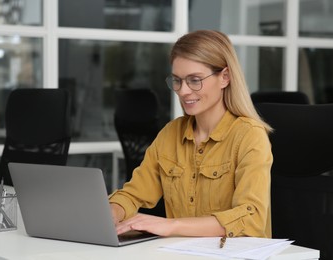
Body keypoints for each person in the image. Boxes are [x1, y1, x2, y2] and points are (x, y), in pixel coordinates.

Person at [109, 30, 273, 239]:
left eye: (194, 80)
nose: (183, 91)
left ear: (224, 77)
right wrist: (113, 211)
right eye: (177, 80)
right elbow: (133, 194)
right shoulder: (170, 134)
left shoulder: (249, 136)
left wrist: (172, 225)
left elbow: (251, 219)